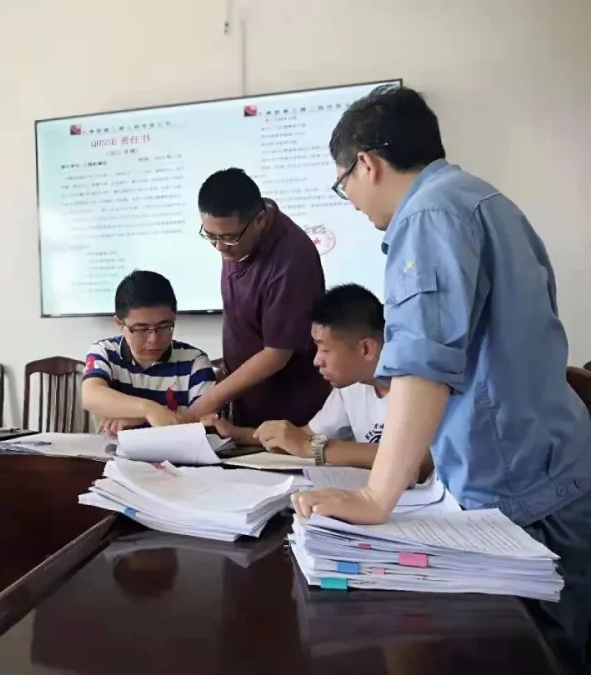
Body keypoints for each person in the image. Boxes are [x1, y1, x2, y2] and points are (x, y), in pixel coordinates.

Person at [293, 85, 591, 675]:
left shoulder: (428, 215)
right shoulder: (485, 200)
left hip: (523, 494)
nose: (351, 200)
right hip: (553, 470)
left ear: (366, 165)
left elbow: (421, 364)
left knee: (532, 655)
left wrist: (375, 497)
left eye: (342, 184)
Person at [208, 284, 433, 477]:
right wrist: (235, 433)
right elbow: (307, 436)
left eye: (324, 349)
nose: (317, 361)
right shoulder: (352, 387)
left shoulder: (420, 384)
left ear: (366, 348)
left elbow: (419, 462)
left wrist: (313, 448)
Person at [187, 168, 330, 428]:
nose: (219, 247)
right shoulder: (239, 236)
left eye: (228, 238)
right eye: (210, 236)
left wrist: (211, 400)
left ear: (260, 220)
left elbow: (277, 353)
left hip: (288, 412)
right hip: (247, 402)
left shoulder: (292, 260)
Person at [82, 270, 216, 434]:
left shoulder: (194, 361)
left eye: (164, 326)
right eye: (141, 328)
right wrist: (149, 410)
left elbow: (204, 425)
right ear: (119, 324)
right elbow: (90, 395)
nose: (153, 339)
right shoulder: (106, 352)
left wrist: (138, 417)